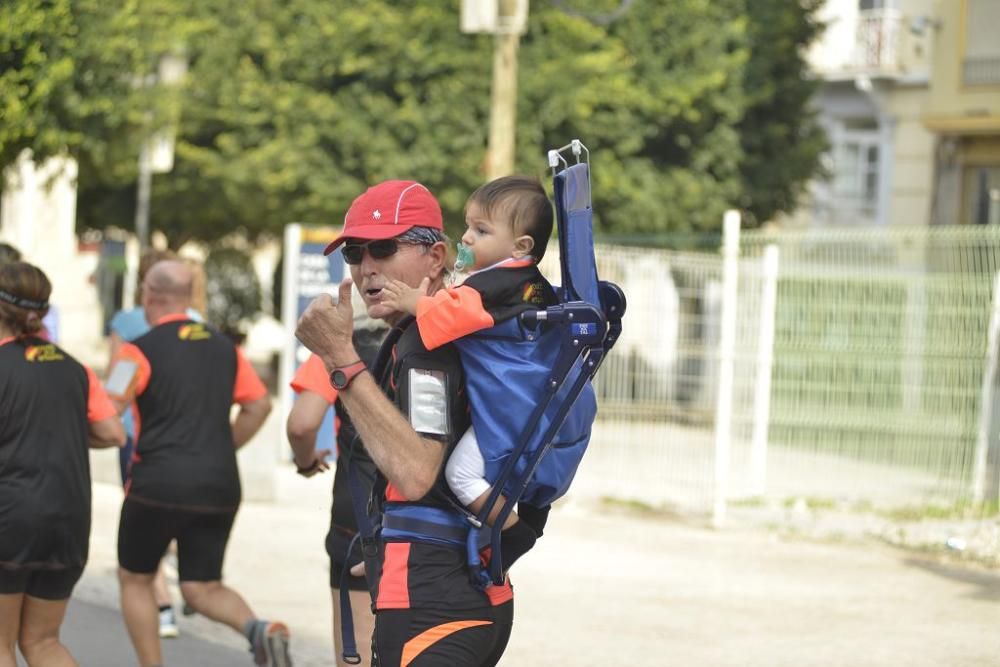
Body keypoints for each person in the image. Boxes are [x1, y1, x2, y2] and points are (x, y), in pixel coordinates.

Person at [296, 180, 516, 666]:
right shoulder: (424, 332)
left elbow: (417, 472)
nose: (366, 267)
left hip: (432, 602)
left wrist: (340, 357)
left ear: (436, 258)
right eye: (355, 251)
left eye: (383, 248)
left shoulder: (426, 345)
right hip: (456, 589)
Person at [108, 260, 291, 667]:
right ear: (190, 297)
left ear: (147, 295)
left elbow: (107, 408)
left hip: (157, 483)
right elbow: (259, 404)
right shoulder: (226, 348)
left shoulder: (136, 350)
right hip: (218, 483)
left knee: (135, 578)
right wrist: (222, 448)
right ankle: (256, 629)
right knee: (202, 585)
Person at [380, 175, 557, 565]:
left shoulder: (494, 283)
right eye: (468, 225)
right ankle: (516, 523)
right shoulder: (535, 285)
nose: (468, 237)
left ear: (521, 246)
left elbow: (452, 317)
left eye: (481, 229)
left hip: (507, 407)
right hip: (531, 399)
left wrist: (414, 301)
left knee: (460, 475)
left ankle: (513, 534)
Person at [0, 261, 126, 667]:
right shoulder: (75, 368)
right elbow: (112, 433)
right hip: (68, 521)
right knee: (43, 643)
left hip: (10, 518)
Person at [107, 248, 200, 638]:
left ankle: (162, 605)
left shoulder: (131, 331)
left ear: (147, 291)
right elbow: (256, 402)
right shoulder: (203, 330)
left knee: (135, 560)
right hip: (196, 441)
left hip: (140, 438)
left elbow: (112, 394)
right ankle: (240, 617)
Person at [286, 311, 386, 667]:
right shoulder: (445, 334)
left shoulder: (341, 345)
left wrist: (306, 461)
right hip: (433, 518)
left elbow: (301, 424)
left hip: (357, 513)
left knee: (357, 647)